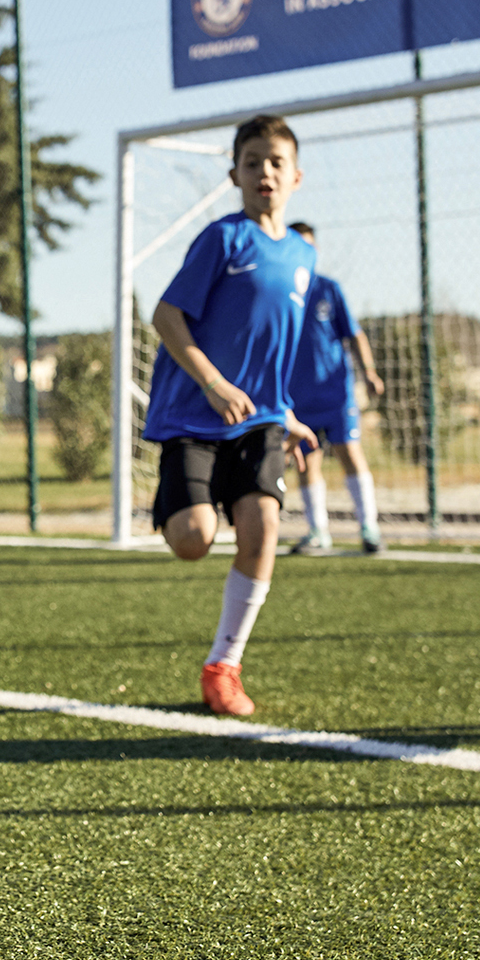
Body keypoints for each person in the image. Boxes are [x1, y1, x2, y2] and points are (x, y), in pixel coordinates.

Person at [141, 114, 320, 718]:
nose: (264, 172)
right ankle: (173, 503)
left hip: (260, 421)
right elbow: (167, 317)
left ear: (296, 175)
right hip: (196, 413)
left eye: (275, 162)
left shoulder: (302, 255)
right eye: (252, 162)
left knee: (263, 527)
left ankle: (224, 665)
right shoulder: (223, 239)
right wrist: (214, 383)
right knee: (193, 541)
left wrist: (286, 413)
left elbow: (273, 348)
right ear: (234, 175)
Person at [282, 221, 386, 557]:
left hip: (335, 392)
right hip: (297, 397)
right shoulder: (280, 291)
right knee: (306, 463)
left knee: (350, 454)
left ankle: (369, 528)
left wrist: (368, 371)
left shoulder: (329, 288)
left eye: (310, 246)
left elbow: (354, 334)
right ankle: (318, 531)